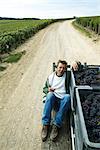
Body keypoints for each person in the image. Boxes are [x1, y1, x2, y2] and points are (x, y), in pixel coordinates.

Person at [41, 60, 71, 142]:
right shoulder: (51, 77)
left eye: (64, 68)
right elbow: (45, 89)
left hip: (62, 101)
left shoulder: (67, 75)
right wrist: (48, 90)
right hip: (54, 100)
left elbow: (77, 69)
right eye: (60, 67)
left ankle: (56, 125)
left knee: (68, 97)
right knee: (50, 95)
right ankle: (46, 124)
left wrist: (77, 63)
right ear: (56, 68)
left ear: (65, 69)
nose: (61, 70)